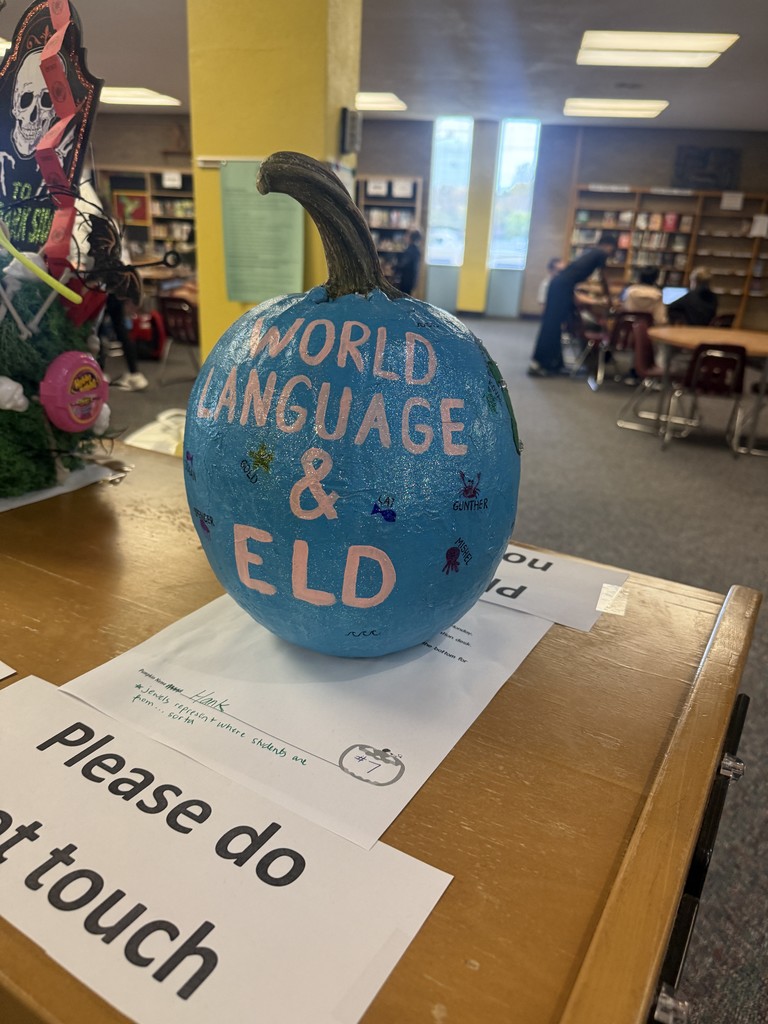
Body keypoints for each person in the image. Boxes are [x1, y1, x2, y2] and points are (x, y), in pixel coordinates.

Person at [528, 232, 618, 377]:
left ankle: (554, 364)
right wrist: (609, 298)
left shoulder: (591, 252)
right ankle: (539, 363)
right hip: (562, 288)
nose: (612, 252)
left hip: (560, 286)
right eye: (613, 249)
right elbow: (603, 278)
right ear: (608, 246)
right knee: (551, 326)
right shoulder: (601, 253)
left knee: (554, 326)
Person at [396, 229, 422, 295]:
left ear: (410, 238)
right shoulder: (416, 250)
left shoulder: (410, 250)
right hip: (412, 279)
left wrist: (394, 267)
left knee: (403, 299)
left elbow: (403, 264)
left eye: (407, 236)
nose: (405, 237)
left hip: (406, 280)